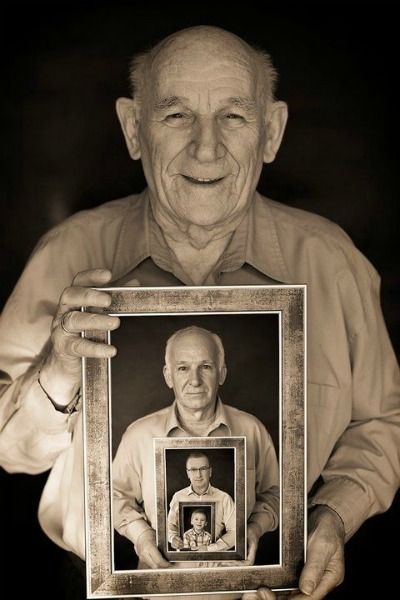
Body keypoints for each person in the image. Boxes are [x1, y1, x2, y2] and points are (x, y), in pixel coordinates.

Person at [0, 24, 398, 599]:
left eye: (234, 117)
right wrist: (56, 374)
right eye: (176, 116)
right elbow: (10, 456)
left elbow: (382, 422)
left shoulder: (334, 263)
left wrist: (331, 518)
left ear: (272, 132)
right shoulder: (69, 256)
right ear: (134, 129)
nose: (206, 148)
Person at [113, 326, 279, 567]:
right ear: (168, 376)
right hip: (162, 587)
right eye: (183, 368)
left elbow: (275, 494)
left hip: (235, 588)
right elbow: (115, 496)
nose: (195, 380)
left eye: (206, 367)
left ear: (221, 373)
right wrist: (142, 537)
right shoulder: (138, 436)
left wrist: (254, 529)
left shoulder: (252, 430)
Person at [167, 451, 236, 552]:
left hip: (215, 562)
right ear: (188, 473)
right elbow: (169, 526)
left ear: (210, 471)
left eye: (203, 469)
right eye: (193, 469)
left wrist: (210, 549)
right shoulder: (178, 497)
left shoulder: (224, 498)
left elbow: (235, 532)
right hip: (184, 562)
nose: (198, 474)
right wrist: (172, 538)